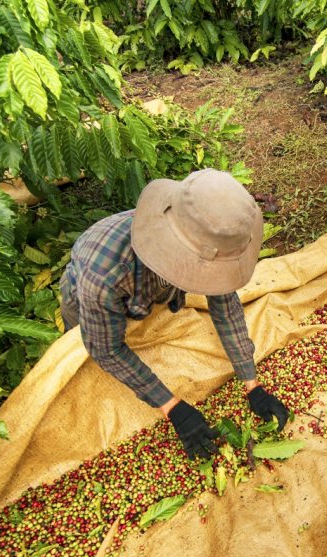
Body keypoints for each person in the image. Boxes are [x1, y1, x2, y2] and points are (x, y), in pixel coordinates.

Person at [59, 169, 290, 459]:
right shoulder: (105, 274)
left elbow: (225, 306)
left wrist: (251, 383)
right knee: (81, 364)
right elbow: (105, 349)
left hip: (142, 291)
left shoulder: (205, 233)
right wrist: (173, 408)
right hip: (86, 303)